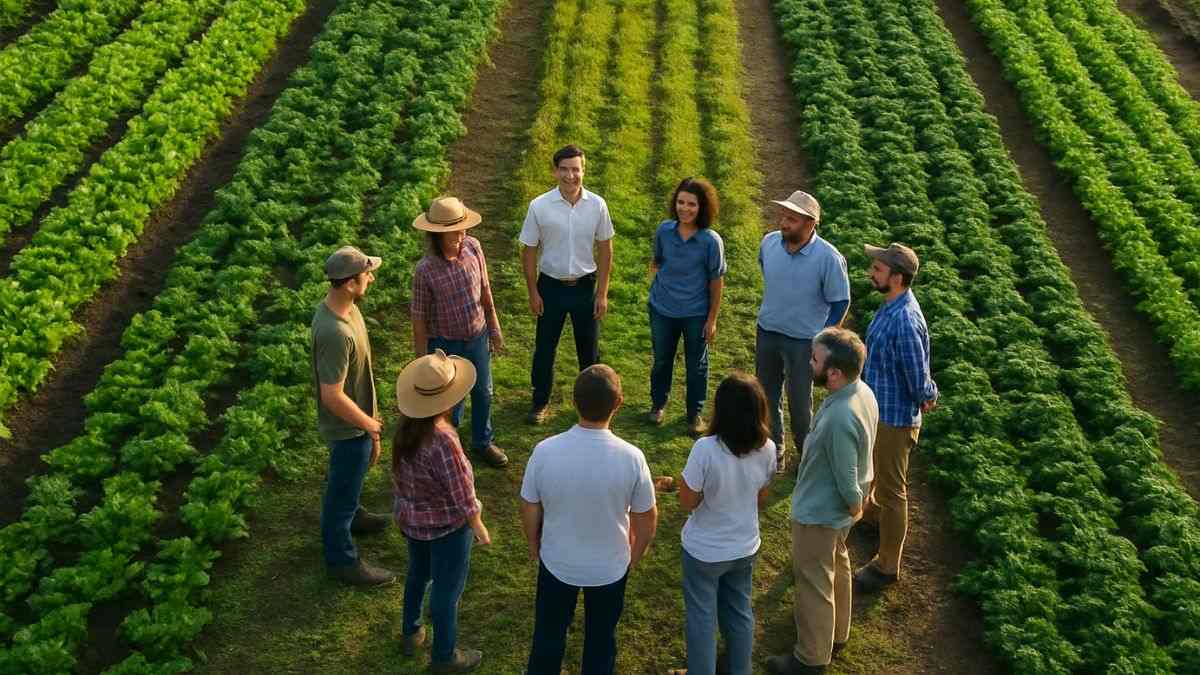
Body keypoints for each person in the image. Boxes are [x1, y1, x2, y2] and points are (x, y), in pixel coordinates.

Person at [520, 365, 658, 675]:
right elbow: (647, 519)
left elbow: (529, 505)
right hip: (610, 568)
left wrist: (533, 545)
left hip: (556, 562)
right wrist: (635, 556)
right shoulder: (632, 458)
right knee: (601, 642)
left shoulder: (545, 451)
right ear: (618, 403)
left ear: (573, 402)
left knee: (548, 637)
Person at [767, 328, 878, 675]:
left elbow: (846, 478)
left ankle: (810, 658)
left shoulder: (838, 417)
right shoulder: (863, 392)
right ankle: (837, 633)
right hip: (840, 514)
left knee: (813, 581)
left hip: (822, 512)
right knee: (837, 565)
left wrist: (852, 506)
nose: (808, 362)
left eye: (814, 359)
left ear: (834, 373)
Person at [667, 373, 776, 675]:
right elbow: (761, 495)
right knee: (739, 613)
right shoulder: (768, 448)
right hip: (744, 546)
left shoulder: (705, 449)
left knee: (702, 618)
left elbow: (687, 501)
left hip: (704, 551)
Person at [392, 350, 493, 673]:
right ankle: (445, 656)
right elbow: (461, 489)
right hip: (447, 529)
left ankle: (411, 631)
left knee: (418, 575)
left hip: (413, 524)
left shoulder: (406, 431)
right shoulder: (444, 439)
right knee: (447, 592)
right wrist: (477, 524)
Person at [854, 243, 938, 593]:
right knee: (880, 479)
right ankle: (874, 518)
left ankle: (888, 564)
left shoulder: (904, 320)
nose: (872, 272)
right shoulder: (891, 305)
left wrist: (928, 396)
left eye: (878, 268)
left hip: (894, 419)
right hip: (880, 410)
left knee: (893, 490)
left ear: (898, 278)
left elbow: (917, 377)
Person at [311, 245, 394, 586]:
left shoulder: (348, 310)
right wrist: (369, 425)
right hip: (348, 428)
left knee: (349, 482)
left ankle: (355, 516)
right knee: (340, 495)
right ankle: (341, 559)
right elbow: (331, 395)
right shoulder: (335, 332)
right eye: (366, 274)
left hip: (358, 418)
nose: (371, 278)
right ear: (348, 283)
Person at [519, 145, 615, 425]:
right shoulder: (539, 206)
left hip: (586, 287)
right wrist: (533, 292)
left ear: (583, 170)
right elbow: (529, 251)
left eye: (576, 169)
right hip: (550, 287)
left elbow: (606, 249)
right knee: (545, 348)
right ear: (555, 171)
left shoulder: (597, 205)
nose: (570, 175)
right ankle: (540, 402)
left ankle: (593, 405)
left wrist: (603, 292)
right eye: (564, 169)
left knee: (589, 349)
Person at [756, 191, 850, 473]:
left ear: (811, 223)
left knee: (799, 401)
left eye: (792, 219)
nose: (784, 223)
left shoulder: (829, 258)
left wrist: (823, 338)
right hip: (768, 332)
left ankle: (805, 455)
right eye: (783, 217)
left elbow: (840, 301)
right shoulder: (769, 243)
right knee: (767, 395)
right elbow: (768, 274)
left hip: (804, 343)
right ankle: (775, 453)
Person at [411, 196, 508, 468]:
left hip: (477, 337)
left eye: (463, 229)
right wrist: (422, 359)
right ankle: (448, 447)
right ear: (437, 234)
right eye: (455, 231)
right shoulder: (425, 270)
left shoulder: (473, 248)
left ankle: (482, 442)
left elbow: (485, 291)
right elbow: (418, 318)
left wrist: (494, 328)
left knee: (483, 392)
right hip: (445, 344)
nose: (461, 235)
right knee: (448, 402)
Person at [647, 177, 726, 438]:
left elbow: (716, 281)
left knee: (697, 365)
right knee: (661, 360)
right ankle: (658, 404)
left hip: (695, 313)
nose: (685, 208)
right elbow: (657, 261)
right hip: (662, 309)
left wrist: (712, 319)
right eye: (681, 202)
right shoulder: (664, 231)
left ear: (702, 207)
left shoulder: (710, 241)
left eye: (691, 204)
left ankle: (694, 413)